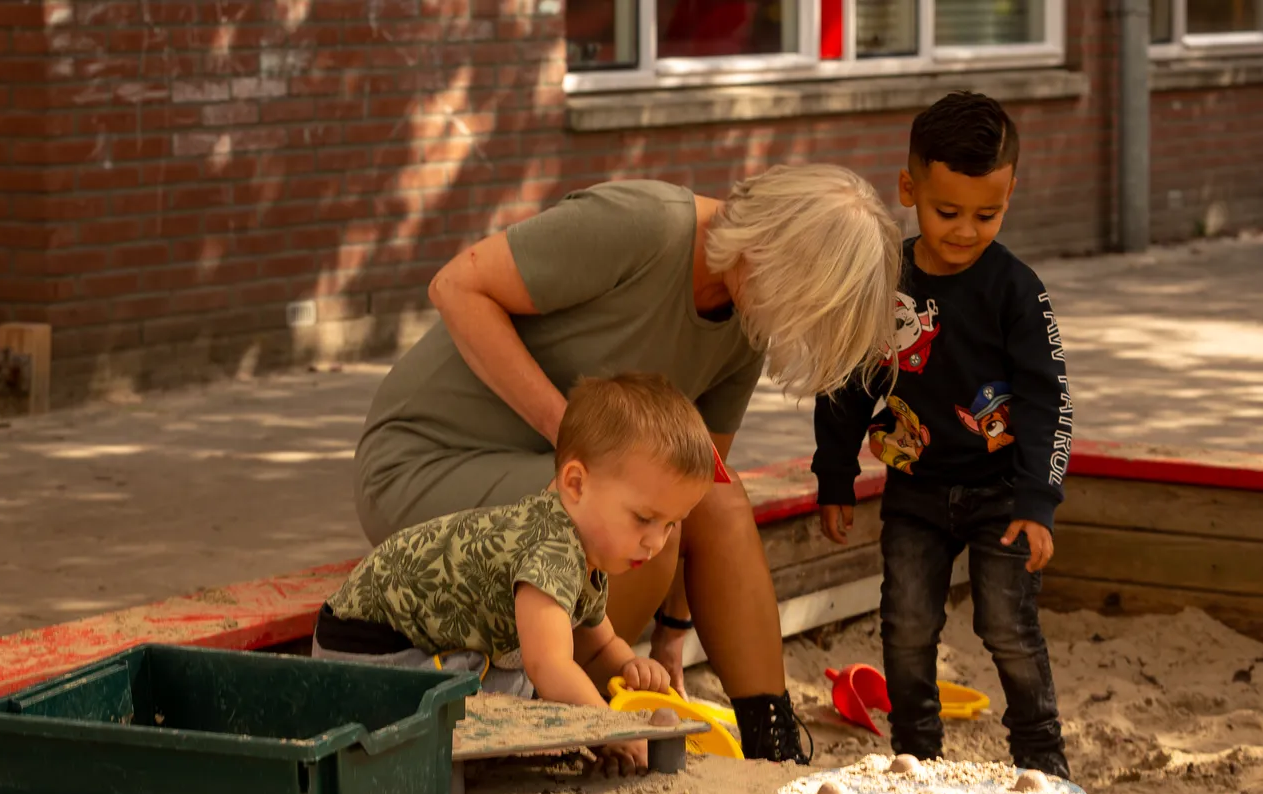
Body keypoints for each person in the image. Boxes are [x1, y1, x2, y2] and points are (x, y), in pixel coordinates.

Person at [355, 165, 902, 763]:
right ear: (772, 250)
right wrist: (575, 436)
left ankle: (771, 740)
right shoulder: (643, 226)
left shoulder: (747, 311)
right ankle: (556, 698)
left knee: (712, 494)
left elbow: (692, 491)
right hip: (429, 457)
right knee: (636, 509)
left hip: (560, 480)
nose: (797, 327)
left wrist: (671, 636)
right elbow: (455, 286)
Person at [812, 92, 1074, 781]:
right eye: (946, 211)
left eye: (987, 215)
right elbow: (845, 382)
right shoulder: (884, 282)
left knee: (1006, 626)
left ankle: (1043, 761)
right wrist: (834, 475)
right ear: (909, 190)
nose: (964, 231)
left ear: (1010, 194)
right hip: (916, 490)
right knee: (905, 624)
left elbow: (1048, 400)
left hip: (1002, 494)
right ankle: (916, 756)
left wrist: (1038, 500)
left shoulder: (1017, 290)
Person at [317, 374, 717, 774]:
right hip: (368, 653)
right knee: (519, 685)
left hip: (399, 648)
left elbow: (597, 647)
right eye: (644, 518)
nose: (655, 542)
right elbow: (551, 666)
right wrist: (614, 730)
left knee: (523, 682)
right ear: (576, 484)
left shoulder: (581, 549)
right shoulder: (550, 548)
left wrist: (629, 666)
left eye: (670, 524)